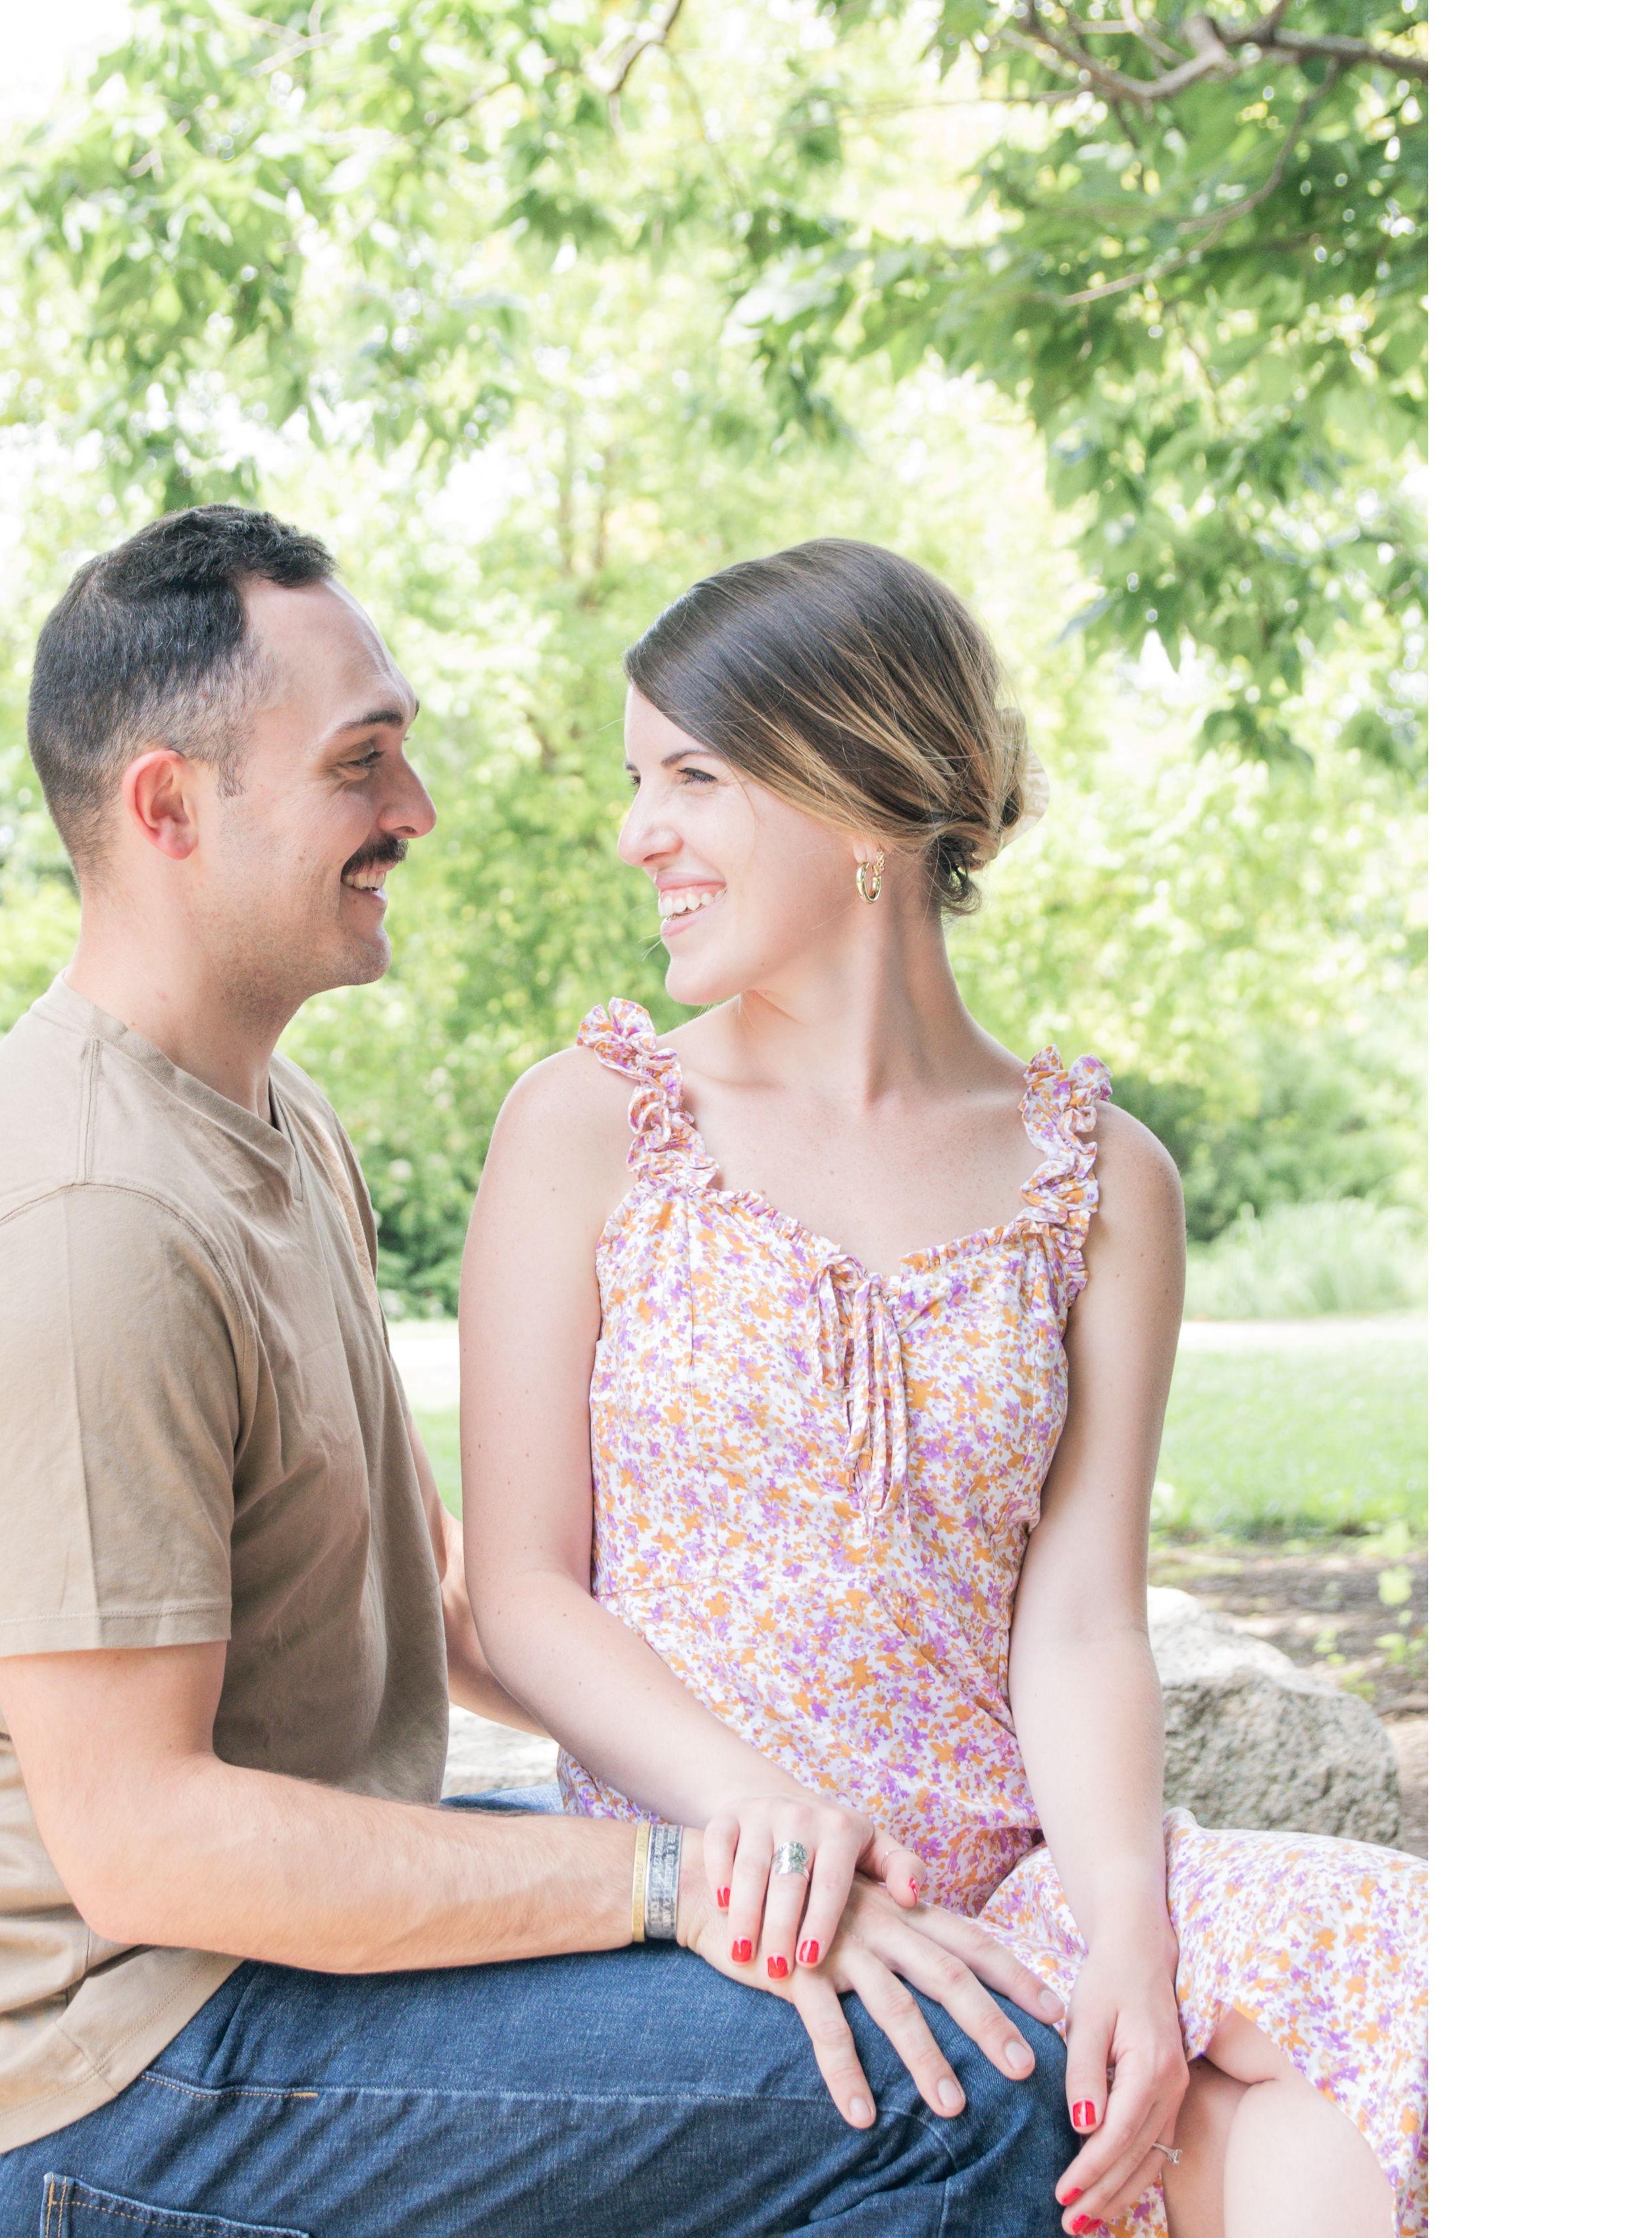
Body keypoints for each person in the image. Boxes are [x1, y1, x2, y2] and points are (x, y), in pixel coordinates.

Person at [0, 505, 1082, 2236]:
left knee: (889, 1962)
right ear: (168, 808)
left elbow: (430, 1601)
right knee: (958, 2089)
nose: (417, 811)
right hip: (129, 2082)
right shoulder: (86, 1227)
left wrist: (784, 1820)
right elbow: (142, 1843)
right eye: (361, 765)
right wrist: (669, 1881)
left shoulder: (266, 1122)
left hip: (266, 1971)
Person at [458, 539, 1429, 2238]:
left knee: (1421, 2029)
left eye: (692, 776)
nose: (637, 834)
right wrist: (765, 1827)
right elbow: (524, 1593)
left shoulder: (1102, 1177)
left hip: (1033, 1883)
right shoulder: (591, 1125)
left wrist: (1131, 1932)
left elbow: (1081, 1617)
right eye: (639, 780)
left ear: (860, 795)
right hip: (732, 1909)